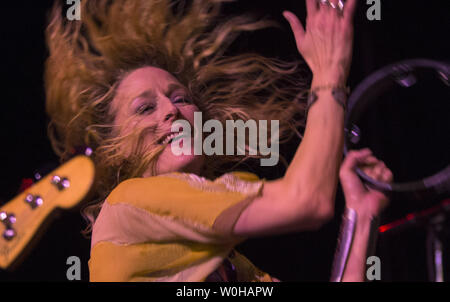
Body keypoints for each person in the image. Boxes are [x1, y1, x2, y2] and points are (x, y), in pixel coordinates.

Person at [44, 0, 393, 282]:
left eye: (180, 98)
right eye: (145, 108)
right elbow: (306, 201)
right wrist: (329, 72)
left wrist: (360, 218)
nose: (171, 111)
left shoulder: (232, 265)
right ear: (115, 147)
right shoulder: (131, 202)